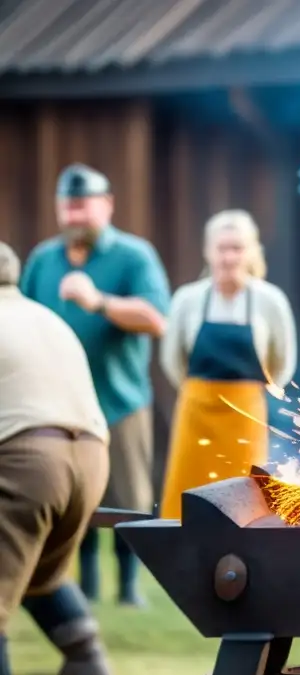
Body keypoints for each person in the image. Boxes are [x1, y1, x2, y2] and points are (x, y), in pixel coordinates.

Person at [20, 163, 171, 606]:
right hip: (59, 403)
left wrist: (98, 302)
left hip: (120, 399)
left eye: (83, 206)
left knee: (128, 499)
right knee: (72, 496)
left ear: (106, 205)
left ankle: (128, 589)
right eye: (68, 206)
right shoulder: (44, 259)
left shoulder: (133, 255)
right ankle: (84, 585)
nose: (74, 215)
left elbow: (156, 318)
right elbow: (22, 314)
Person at [0, 242, 113, 675]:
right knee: (39, 572)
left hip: (26, 460)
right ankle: (85, 655)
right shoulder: (47, 318)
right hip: (91, 460)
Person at [159, 211, 297, 520]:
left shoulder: (270, 301)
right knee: (186, 501)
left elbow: (282, 363)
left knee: (244, 504)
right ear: (208, 251)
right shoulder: (187, 299)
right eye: (222, 248)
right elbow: (172, 360)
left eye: (237, 248)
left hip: (245, 416)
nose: (229, 257)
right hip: (196, 413)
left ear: (251, 252)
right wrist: (199, 391)